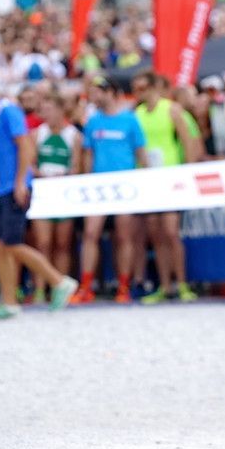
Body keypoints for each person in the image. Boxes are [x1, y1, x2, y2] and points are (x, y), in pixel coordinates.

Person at [0, 70, 78, 320]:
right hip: (3, 186)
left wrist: (20, 182)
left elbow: (25, 145)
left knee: (12, 244)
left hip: (14, 185)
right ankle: (9, 302)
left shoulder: (7, 110)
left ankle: (59, 281)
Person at [72, 77, 147, 305]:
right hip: (99, 186)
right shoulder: (93, 121)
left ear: (111, 92)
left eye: (98, 92)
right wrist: (87, 182)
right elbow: (88, 154)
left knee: (124, 236)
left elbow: (141, 153)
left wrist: (146, 182)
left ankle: (123, 286)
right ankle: (86, 287)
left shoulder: (130, 120)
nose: (93, 97)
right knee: (90, 234)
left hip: (125, 185)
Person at [133, 72, 198, 304]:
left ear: (153, 87)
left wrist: (187, 172)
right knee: (156, 233)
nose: (138, 93)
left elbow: (187, 142)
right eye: (135, 88)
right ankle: (165, 286)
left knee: (171, 232)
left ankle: (182, 284)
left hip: (171, 177)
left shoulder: (171, 109)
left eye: (142, 88)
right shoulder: (138, 114)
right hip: (149, 178)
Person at [31, 93, 82, 304]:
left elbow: (77, 166)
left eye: (50, 109)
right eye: (44, 110)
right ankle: (39, 289)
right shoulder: (37, 134)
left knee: (62, 244)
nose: (46, 114)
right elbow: (30, 163)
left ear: (61, 110)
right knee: (42, 243)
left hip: (63, 193)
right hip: (42, 194)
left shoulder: (73, 135)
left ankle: (59, 288)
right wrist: (40, 174)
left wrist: (64, 176)